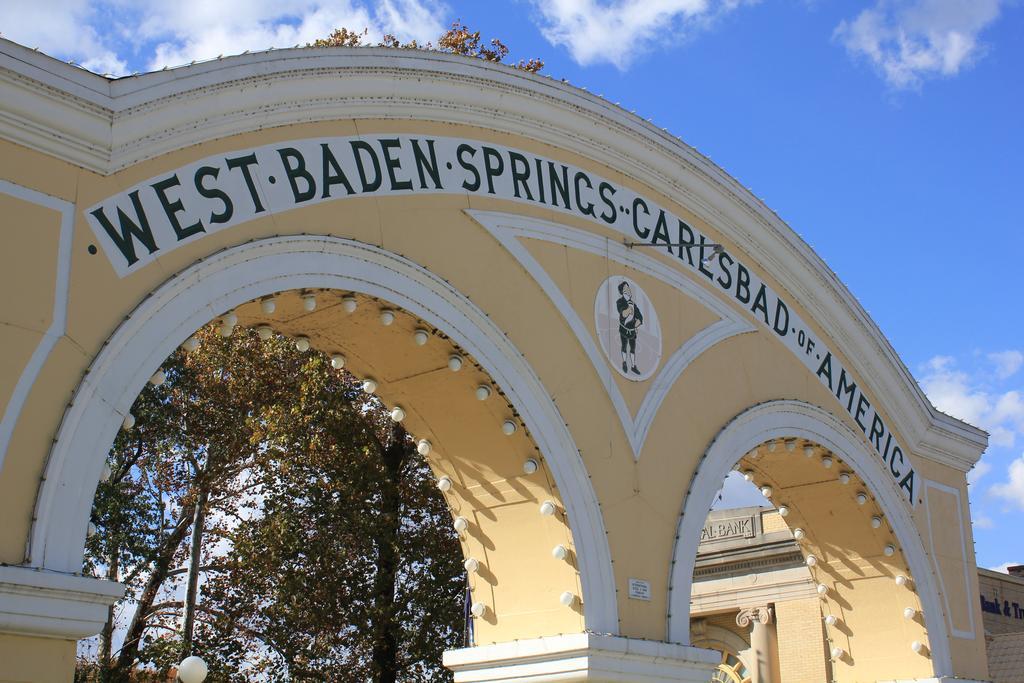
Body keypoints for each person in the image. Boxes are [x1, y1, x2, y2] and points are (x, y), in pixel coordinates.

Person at [616, 281, 643, 375]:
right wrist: (629, 308)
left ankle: (633, 366)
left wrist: (636, 324)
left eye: (628, 288)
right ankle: (624, 363)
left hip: (632, 331)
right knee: (624, 346)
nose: (628, 290)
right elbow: (623, 314)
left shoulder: (634, 304)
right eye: (625, 289)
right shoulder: (620, 302)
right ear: (622, 292)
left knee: (633, 348)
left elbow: (640, 317)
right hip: (623, 329)